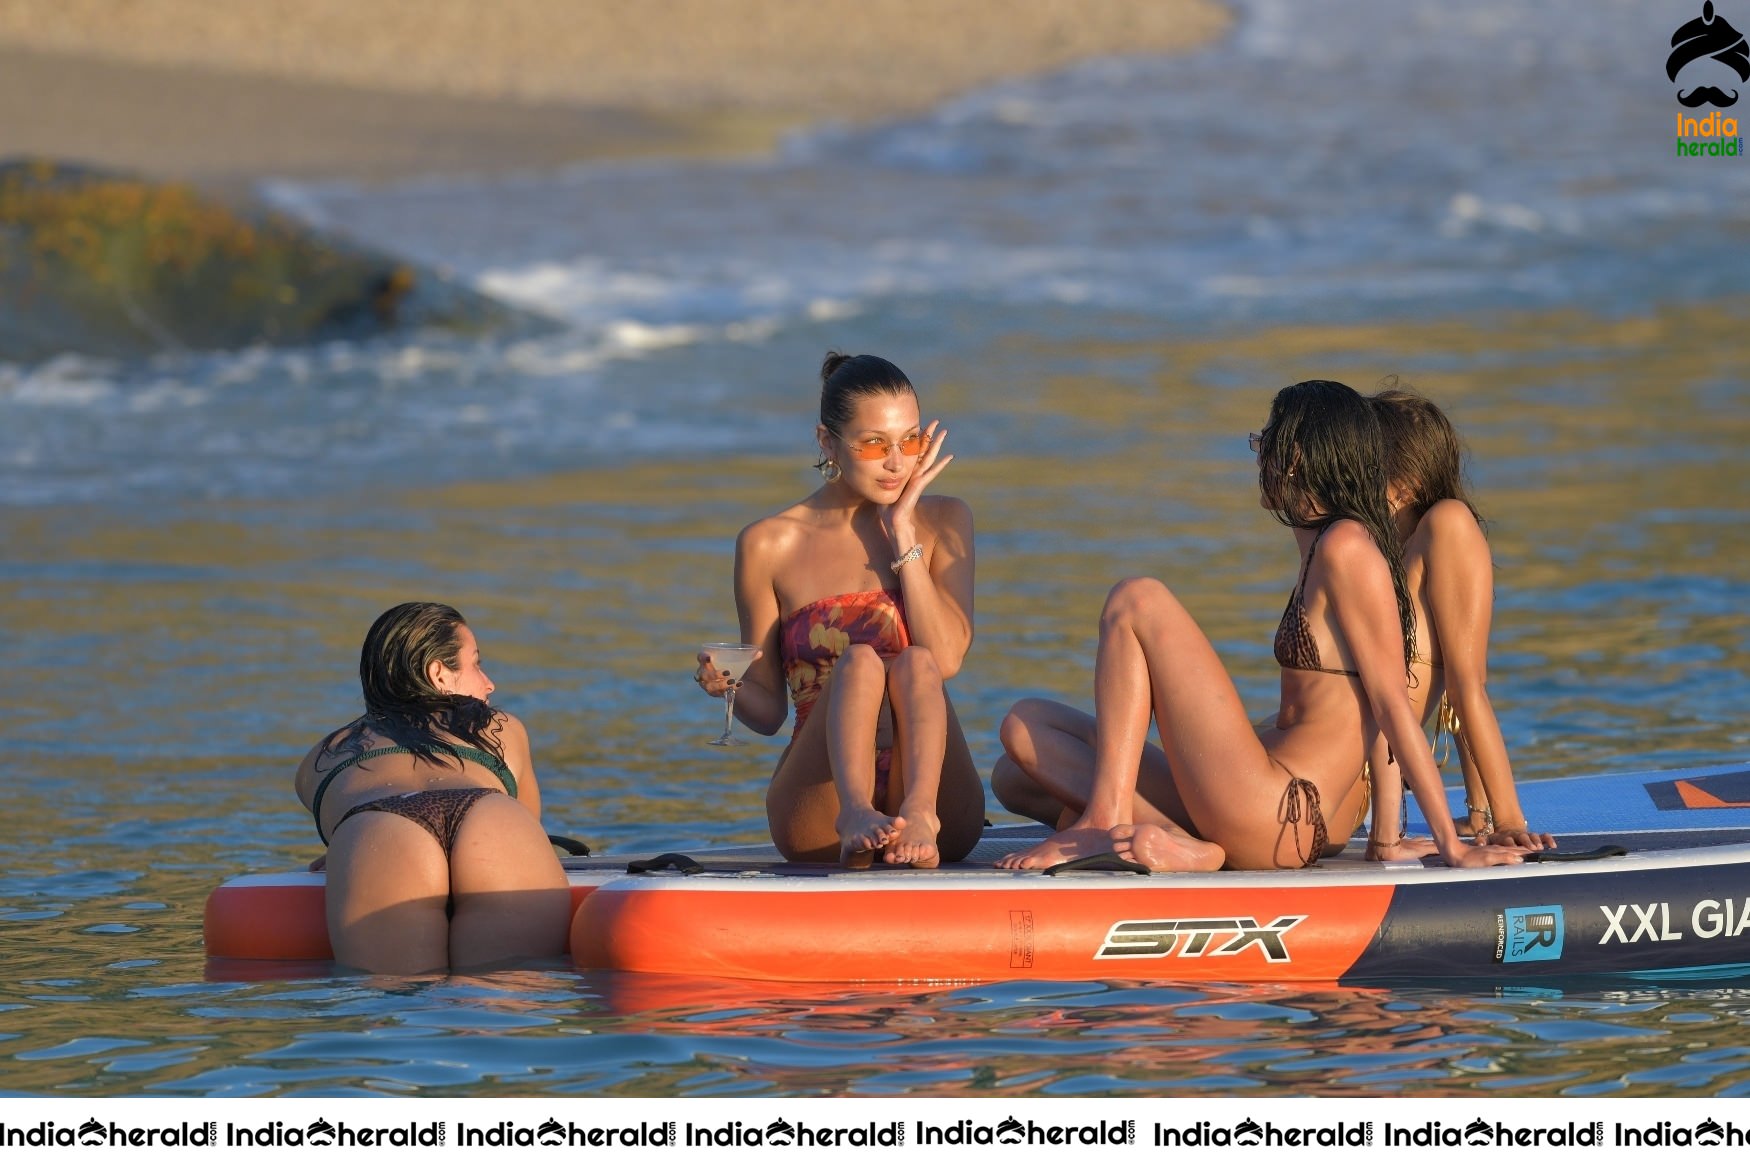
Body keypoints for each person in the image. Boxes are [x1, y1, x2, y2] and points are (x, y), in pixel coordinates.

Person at [992, 379, 1530, 872]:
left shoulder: (1347, 548)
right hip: (1265, 800)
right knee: (1023, 740)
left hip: (1282, 808)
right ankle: (1189, 844)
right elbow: (1374, 709)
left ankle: (1107, 823)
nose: (1259, 458)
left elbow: (1391, 704)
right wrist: (1385, 840)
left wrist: (1456, 843)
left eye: (1264, 444)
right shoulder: (1324, 546)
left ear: (1298, 459)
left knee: (1138, 600)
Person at [696, 351, 985, 867]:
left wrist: (903, 531)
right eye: (875, 444)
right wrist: (728, 685)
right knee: (859, 661)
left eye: (910, 441)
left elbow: (945, 661)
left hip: (936, 802)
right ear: (828, 442)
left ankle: (919, 812)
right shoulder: (769, 543)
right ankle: (855, 809)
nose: (897, 463)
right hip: (821, 810)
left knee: (916, 661)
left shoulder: (943, 520)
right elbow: (769, 713)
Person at [294, 602, 571, 972]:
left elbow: (339, 830)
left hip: (378, 830)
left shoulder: (323, 755)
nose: (489, 683)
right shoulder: (502, 726)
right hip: (491, 820)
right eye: (476, 663)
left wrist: (350, 853)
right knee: (505, 1001)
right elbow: (530, 823)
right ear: (438, 673)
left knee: (398, 1007)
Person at [1358, 386, 1555, 859]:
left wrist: (1507, 821)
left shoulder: (1447, 524)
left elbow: (1468, 686)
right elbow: (1448, 691)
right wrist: (1479, 812)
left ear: (1402, 483)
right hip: (1338, 769)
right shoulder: (1389, 551)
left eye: (1364, 464)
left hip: (1342, 784)